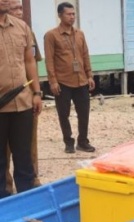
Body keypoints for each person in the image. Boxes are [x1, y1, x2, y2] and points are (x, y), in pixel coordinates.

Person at [0, 0, 42, 198]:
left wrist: (37, 92)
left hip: (23, 102)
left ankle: (26, 199)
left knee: (24, 156)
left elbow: (29, 61)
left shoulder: (21, 27)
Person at [44, 2, 95, 154]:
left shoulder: (80, 34)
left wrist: (90, 75)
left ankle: (83, 141)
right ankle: (68, 142)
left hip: (81, 80)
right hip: (63, 82)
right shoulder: (51, 35)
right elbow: (49, 59)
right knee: (63, 114)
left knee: (84, 112)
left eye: (73, 14)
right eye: (69, 14)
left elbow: (85, 55)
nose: (72, 17)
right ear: (60, 15)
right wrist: (52, 81)